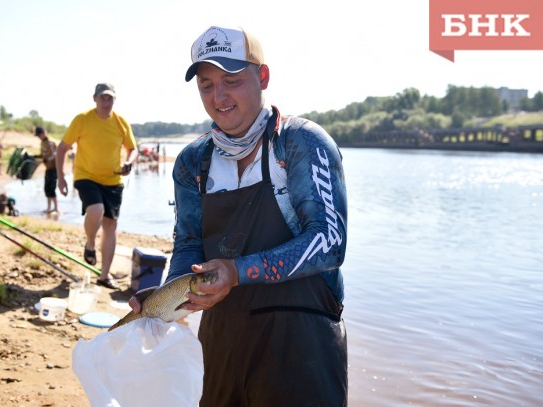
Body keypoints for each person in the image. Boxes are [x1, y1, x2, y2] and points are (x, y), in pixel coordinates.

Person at [129, 26, 348, 406]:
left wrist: (235, 271)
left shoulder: (299, 143)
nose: (219, 97)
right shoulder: (192, 161)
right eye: (207, 85)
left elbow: (330, 242)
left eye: (232, 80)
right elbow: (189, 244)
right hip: (222, 340)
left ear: (262, 77)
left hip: (302, 343)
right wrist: (165, 301)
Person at [56, 83, 137, 290]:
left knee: (110, 226)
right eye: (103, 98)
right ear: (95, 98)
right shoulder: (83, 120)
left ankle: (104, 275)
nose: (106, 102)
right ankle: (90, 243)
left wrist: (129, 162)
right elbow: (63, 147)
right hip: (86, 176)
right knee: (96, 210)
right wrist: (61, 177)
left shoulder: (121, 123)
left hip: (113, 181)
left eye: (110, 98)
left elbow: (132, 149)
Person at [34, 126, 59, 213]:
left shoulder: (50, 142)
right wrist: (34, 156)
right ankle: (49, 208)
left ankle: (56, 208)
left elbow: (54, 155)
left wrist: (43, 160)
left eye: (39, 135)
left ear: (43, 133)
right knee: (47, 188)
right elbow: (43, 155)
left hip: (54, 168)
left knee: (52, 188)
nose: (39, 137)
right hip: (48, 168)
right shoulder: (43, 143)